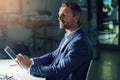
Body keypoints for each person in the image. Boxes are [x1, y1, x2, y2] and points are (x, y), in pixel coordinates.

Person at [16, 1, 93, 80]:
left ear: (76, 18)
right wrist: (32, 61)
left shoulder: (79, 42)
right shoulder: (70, 36)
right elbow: (53, 55)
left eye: (64, 15)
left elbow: (59, 71)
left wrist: (30, 68)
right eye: (59, 15)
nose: (59, 18)